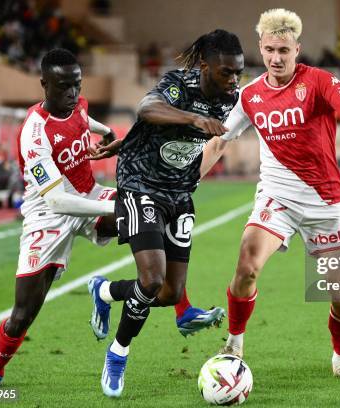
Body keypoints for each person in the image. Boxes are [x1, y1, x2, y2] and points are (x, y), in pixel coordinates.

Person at [201, 9, 340, 380]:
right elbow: (218, 143)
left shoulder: (319, 81)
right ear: (260, 49)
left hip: (324, 203)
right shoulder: (249, 95)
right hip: (276, 197)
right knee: (247, 262)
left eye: (283, 50)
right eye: (268, 50)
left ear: (297, 48)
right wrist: (187, 182)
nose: (276, 58)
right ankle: (233, 343)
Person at [91, 29, 244, 398]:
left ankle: (106, 290)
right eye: (226, 72)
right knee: (153, 277)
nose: (234, 79)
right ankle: (118, 354)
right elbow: (147, 110)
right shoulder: (178, 85)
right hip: (140, 184)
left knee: (170, 293)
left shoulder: (232, 99)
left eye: (238, 72)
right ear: (205, 66)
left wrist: (127, 139)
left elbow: (150, 129)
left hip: (180, 193)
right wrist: (193, 120)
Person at [0, 48, 119, 388]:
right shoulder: (34, 133)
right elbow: (56, 201)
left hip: (88, 194)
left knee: (147, 214)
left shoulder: (77, 105)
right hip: (47, 216)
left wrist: (108, 133)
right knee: (23, 314)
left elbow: (86, 120)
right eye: (64, 86)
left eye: (77, 85)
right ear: (44, 84)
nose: (73, 94)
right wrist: (113, 208)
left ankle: (111, 294)